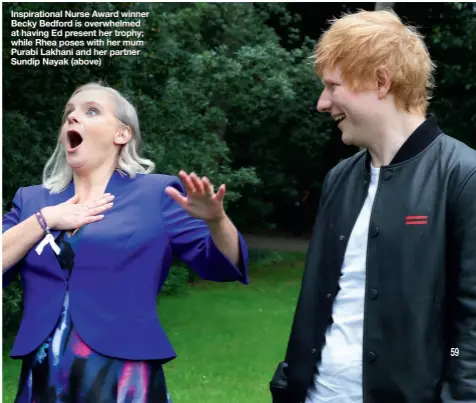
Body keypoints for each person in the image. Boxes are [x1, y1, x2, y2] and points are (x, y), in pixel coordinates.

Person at [270, 10, 476, 403]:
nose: (322, 103)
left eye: (333, 86)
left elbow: (469, 326)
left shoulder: (463, 176)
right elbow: (317, 302)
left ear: (381, 81)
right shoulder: (340, 179)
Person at [2, 82, 249, 402]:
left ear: (123, 134)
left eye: (91, 111)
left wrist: (217, 220)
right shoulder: (32, 200)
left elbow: (222, 264)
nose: (73, 118)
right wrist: (45, 220)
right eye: (68, 114)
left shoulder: (156, 194)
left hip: (123, 371)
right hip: (44, 371)